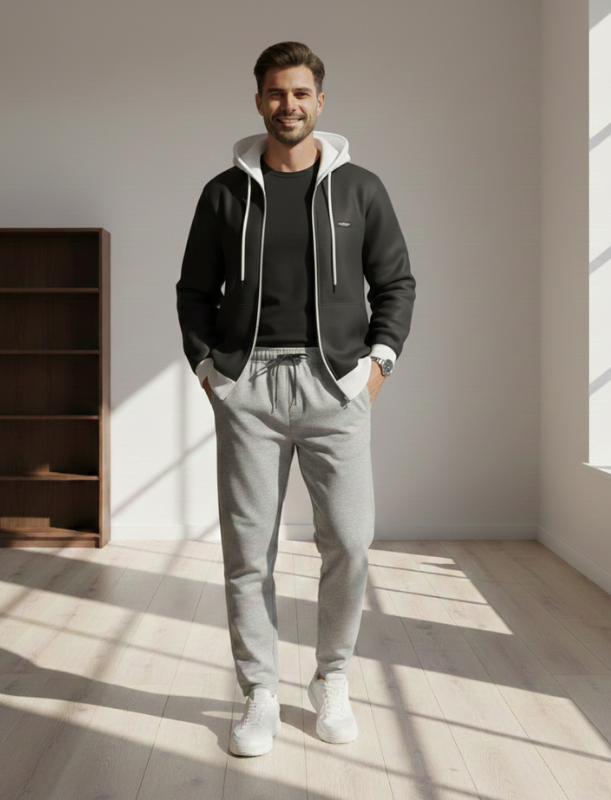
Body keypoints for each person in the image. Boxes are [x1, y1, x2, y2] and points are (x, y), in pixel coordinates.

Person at [176, 41, 415, 757]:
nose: (289, 105)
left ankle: (331, 679)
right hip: (246, 385)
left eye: (302, 93)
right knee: (249, 552)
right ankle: (259, 693)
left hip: (334, 384)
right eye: (277, 94)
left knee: (349, 541)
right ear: (259, 101)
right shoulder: (224, 192)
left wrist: (377, 366)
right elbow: (193, 291)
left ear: (320, 101)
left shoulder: (361, 188)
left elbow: (396, 284)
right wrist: (208, 369)